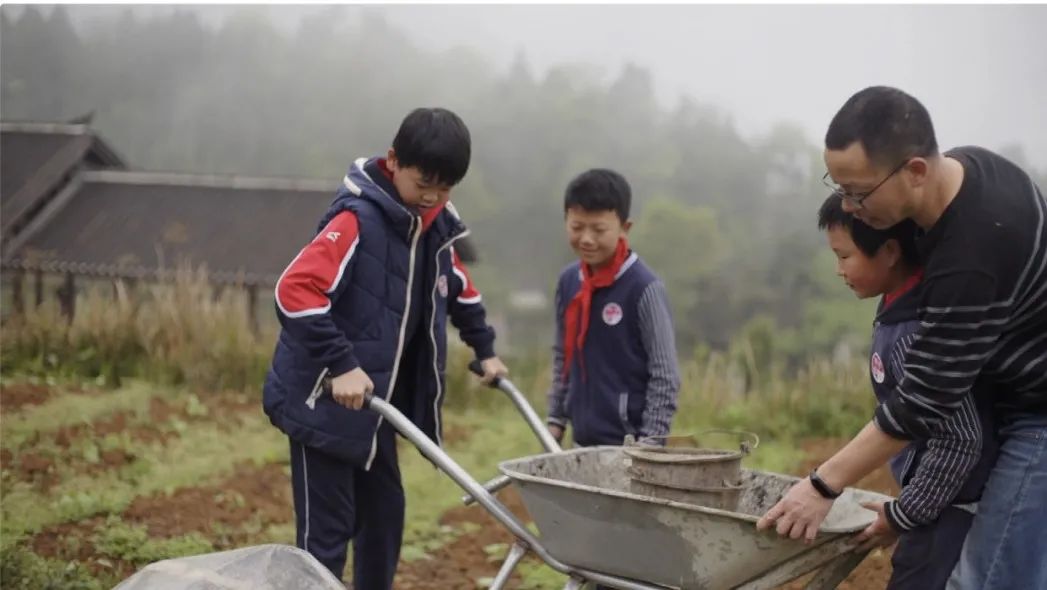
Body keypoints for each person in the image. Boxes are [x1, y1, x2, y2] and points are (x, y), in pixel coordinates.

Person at [757, 86, 1047, 590]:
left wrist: (822, 484)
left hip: (1038, 410)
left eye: (860, 193)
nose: (850, 204)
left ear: (915, 171)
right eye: (840, 187)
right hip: (1007, 397)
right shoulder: (963, 176)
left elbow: (924, 401)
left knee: (990, 576)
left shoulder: (971, 253)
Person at [262, 107, 508, 588]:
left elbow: (459, 288)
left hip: (376, 408)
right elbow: (294, 291)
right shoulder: (357, 219)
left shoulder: (435, 227)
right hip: (324, 403)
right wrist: (342, 364)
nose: (433, 196)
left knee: (385, 518)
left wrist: (485, 349)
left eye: (446, 187)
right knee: (325, 537)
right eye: (424, 183)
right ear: (394, 161)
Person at [818, 194, 997, 589]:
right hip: (934, 507)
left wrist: (906, 514)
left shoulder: (917, 330)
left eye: (845, 257)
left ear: (890, 251)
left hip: (953, 511)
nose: (838, 270)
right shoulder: (897, 309)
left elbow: (961, 438)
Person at [545, 168, 681, 448]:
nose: (586, 239)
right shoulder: (570, 281)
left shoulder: (644, 288)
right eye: (577, 227)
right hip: (581, 443)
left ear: (624, 228)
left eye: (598, 230)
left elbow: (665, 375)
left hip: (630, 446)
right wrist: (556, 419)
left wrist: (650, 445)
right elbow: (564, 355)